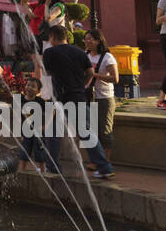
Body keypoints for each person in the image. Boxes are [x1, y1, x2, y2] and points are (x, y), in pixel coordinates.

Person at [42, 24, 115, 179]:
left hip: (61, 99)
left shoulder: (49, 52)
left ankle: (53, 167)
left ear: (53, 37)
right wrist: (81, 85)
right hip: (78, 96)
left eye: (50, 38)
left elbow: (47, 74)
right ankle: (104, 167)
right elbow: (90, 72)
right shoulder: (79, 52)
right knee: (86, 133)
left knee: (52, 133)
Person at [84, 28, 118, 169]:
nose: (87, 41)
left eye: (90, 38)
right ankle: (94, 160)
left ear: (98, 41)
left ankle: (105, 161)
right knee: (90, 129)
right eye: (85, 38)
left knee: (104, 130)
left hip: (104, 97)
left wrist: (94, 75)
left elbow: (115, 78)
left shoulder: (107, 57)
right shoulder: (84, 55)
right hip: (88, 96)